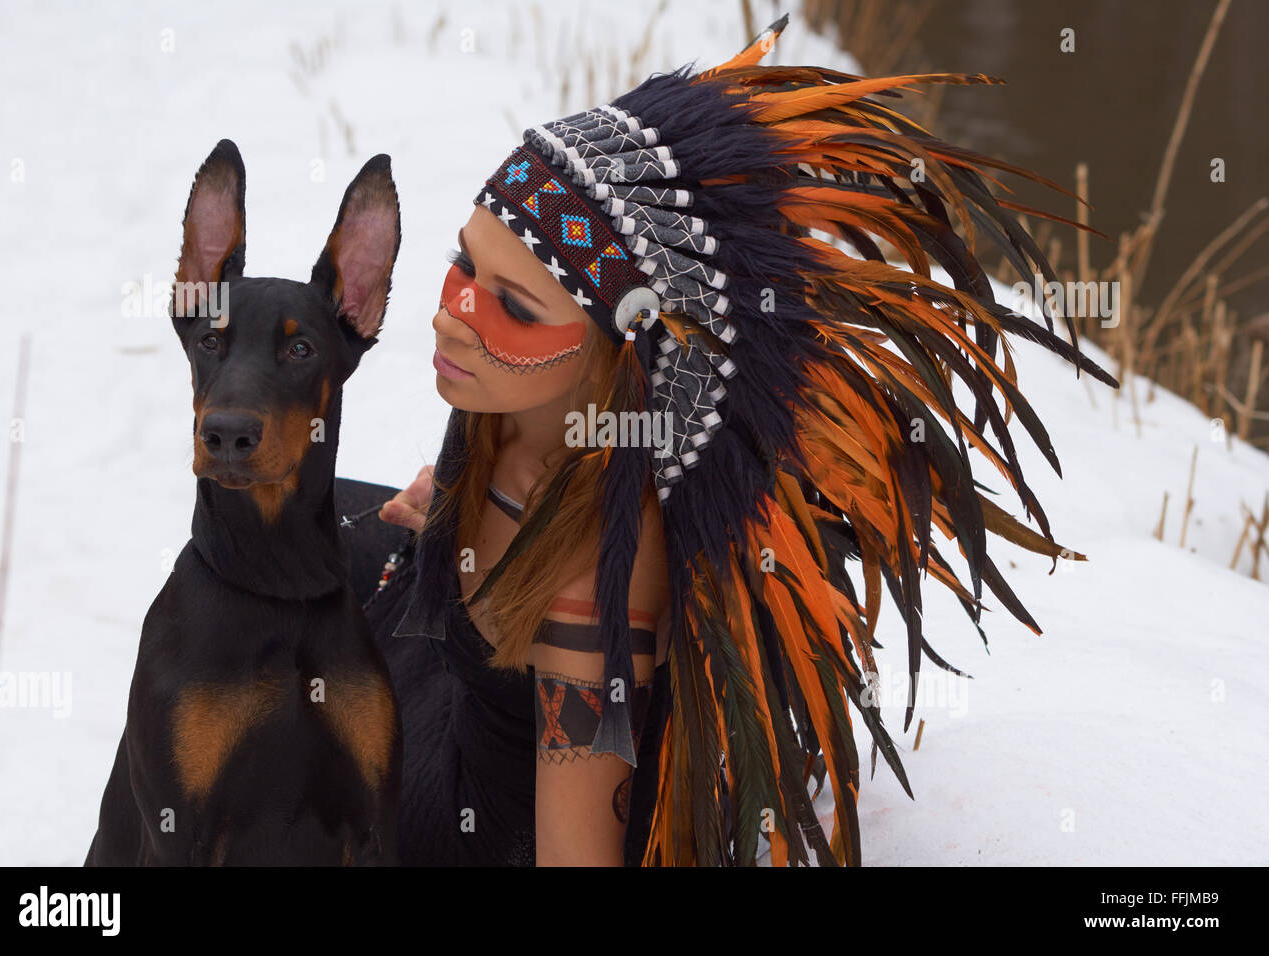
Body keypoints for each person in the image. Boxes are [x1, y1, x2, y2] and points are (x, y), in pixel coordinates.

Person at [335, 14, 1118, 867]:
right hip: (448, 702)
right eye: (464, 264)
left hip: (459, 822)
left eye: (516, 308)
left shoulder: (595, 579)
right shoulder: (517, 404)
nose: (456, 313)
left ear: (618, 361)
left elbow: (574, 851)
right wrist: (451, 533)